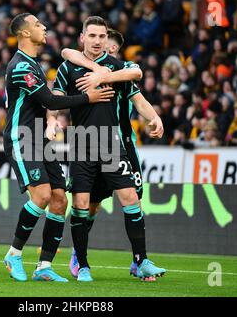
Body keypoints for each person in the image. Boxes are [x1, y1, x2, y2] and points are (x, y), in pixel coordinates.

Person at [2, 13, 115, 283]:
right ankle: (13, 254)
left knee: (59, 200)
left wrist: (51, 124)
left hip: (39, 139)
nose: (45, 27)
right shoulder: (21, 67)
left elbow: (48, 103)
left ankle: (44, 266)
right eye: (39, 25)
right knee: (40, 195)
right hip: (22, 137)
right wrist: (89, 97)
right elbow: (50, 101)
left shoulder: (33, 63)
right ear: (25, 33)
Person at [52, 16, 162, 282]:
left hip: (112, 144)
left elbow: (137, 97)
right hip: (80, 143)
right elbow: (55, 96)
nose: (98, 41)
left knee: (131, 199)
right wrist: (52, 116)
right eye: (92, 36)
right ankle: (84, 265)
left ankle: (141, 260)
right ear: (83, 38)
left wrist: (154, 117)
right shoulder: (68, 68)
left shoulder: (115, 67)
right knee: (81, 204)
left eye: (102, 36)